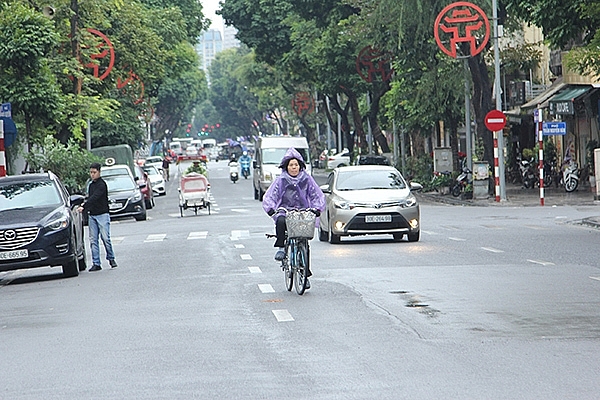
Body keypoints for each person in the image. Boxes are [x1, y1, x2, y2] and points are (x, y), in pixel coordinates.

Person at [262, 148, 325, 288]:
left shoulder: (307, 179)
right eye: (291, 165)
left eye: (296, 165)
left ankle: (305, 274)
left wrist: (317, 208)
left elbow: (317, 195)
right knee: (280, 220)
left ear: (300, 166)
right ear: (286, 166)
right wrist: (271, 209)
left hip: (304, 212)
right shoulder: (281, 180)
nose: (294, 167)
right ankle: (281, 248)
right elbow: (270, 196)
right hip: (285, 211)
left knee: (305, 244)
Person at [78, 162, 117, 272]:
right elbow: (90, 198)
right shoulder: (91, 185)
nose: (92, 175)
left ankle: (111, 258)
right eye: (91, 172)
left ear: (99, 172)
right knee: (93, 240)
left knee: (105, 238)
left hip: (103, 215)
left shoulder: (102, 185)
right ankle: (96, 263)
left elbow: (95, 198)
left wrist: (84, 206)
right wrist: (85, 206)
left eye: (94, 172)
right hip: (93, 216)